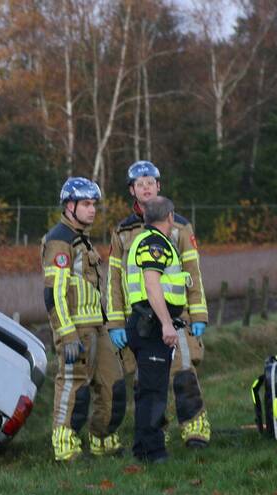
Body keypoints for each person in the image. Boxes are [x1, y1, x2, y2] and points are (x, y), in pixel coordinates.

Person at [106, 161, 211, 448]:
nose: (146, 187)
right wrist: (115, 323)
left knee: (184, 371)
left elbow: (194, 271)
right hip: (141, 320)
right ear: (132, 191)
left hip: (178, 316)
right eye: (140, 184)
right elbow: (114, 280)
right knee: (149, 379)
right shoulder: (123, 232)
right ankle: (157, 430)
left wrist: (198, 313)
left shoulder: (178, 226)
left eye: (151, 182)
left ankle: (194, 428)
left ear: (159, 186)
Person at [40, 177, 126, 462]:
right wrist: (67, 335)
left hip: (97, 327)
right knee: (73, 387)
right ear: (69, 206)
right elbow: (54, 294)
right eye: (86, 204)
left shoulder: (81, 239)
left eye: (94, 204)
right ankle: (66, 446)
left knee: (113, 384)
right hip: (75, 330)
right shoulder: (59, 241)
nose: (92, 210)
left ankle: (102, 440)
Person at [123, 196, 189, 463]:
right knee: (154, 392)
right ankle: (153, 452)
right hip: (150, 327)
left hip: (148, 325)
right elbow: (152, 285)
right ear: (170, 216)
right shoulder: (154, 243)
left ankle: (142, 448)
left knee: (148, 389)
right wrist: (165, 324)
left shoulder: (149, 239)